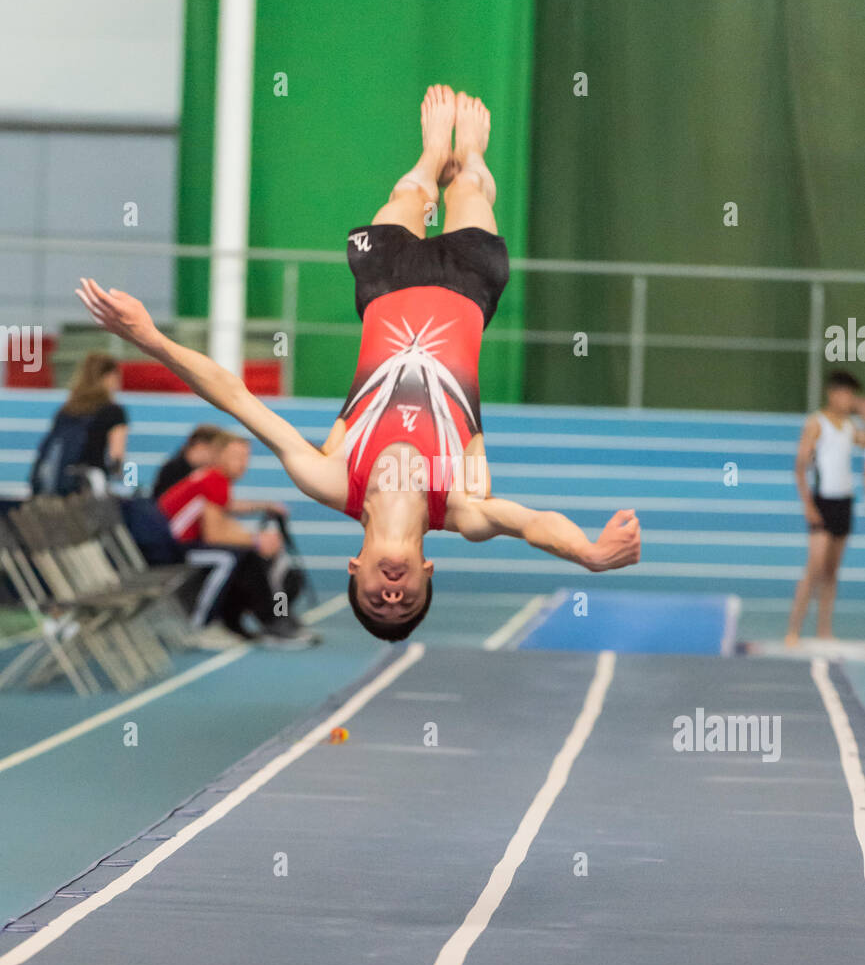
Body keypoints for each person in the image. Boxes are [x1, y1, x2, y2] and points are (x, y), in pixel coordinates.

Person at [75, 85, 641, 642]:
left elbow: (235, 397)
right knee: (472, 186)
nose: (392, 594)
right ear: (427, 574)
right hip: (468, 287)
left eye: (377, 599)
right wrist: (587, 553)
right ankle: (466, 159)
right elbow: (533, 525)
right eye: (406, 601)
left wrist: (150, 339)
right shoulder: (465, 507)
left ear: (353, 568)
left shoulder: (330, 477)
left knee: (408, 188)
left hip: (385, 284)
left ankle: (429, 156)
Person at [157, 432, 314, 646]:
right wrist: (256, 540)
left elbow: (226, 510)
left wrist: (264, 507)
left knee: (246, 556)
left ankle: (253, 619)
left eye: (246, 457)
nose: (243, 463)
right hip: (169, 548)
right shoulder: (214, 479)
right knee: (229, 559)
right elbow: (215, 534)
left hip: (178, 544)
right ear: (219, 456)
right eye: (236, 457)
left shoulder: (211, 478)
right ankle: (201, 625)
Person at [785, 370, 865, 645]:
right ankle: (793, 629)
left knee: (832, 572)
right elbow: (800, 466)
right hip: (822, 501)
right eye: (845, 394)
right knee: (814, 569)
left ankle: (824, 631)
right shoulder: (816, 423)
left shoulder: (851, 426)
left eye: (853, 395)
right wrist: (807, 504)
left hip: (844, 501)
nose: (849, 399)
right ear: (832, 393)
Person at [31, 351, 127, 496]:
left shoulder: (66, 410)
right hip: (92, 483)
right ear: (109, 376)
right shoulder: (114, 411)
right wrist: (130, 482)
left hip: (61, 483)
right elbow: (117, 458)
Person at [151, 423, 224, 498]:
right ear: (200, 446)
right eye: (215, 451)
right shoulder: (173, 469)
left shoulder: (203, 470)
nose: (216, 457)